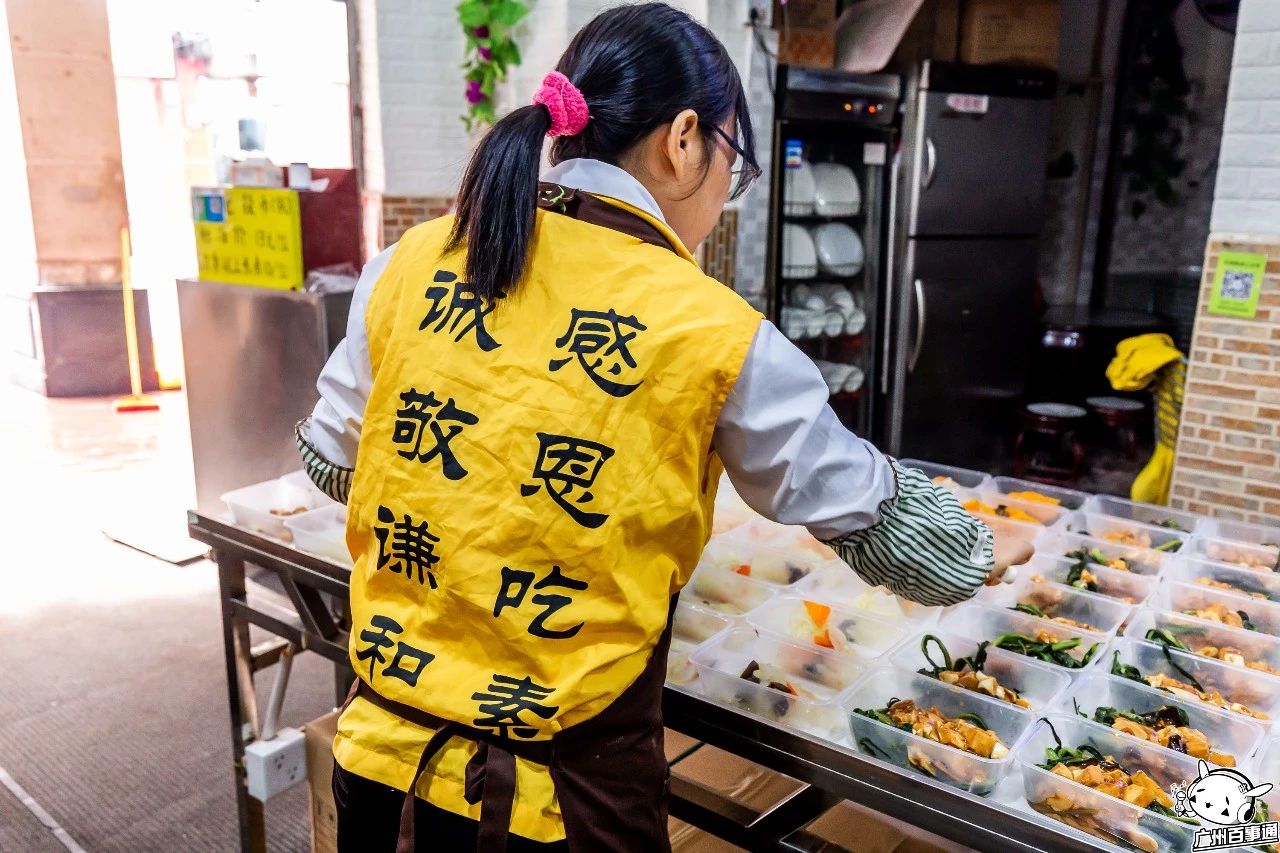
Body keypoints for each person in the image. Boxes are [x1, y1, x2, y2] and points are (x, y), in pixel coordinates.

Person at [296, 4, 1033, 851]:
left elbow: (333, 458)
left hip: (383, 765)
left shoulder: (410, 259)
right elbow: (889, 529)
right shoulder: (714, 331)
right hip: (555, 804)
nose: (723, 198)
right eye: (733, 164)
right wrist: (985, 551)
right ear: (685, 140)